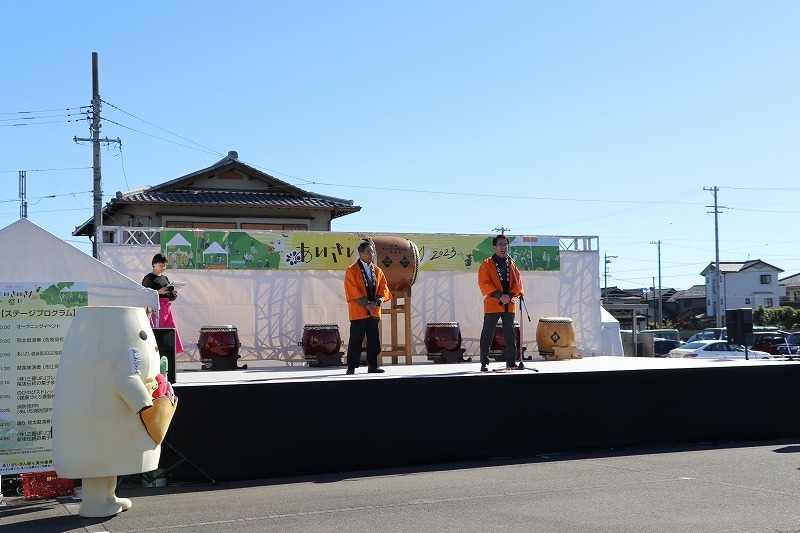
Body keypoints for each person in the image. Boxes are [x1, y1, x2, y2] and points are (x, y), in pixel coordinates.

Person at [344, 238, 392, 374]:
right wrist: (367, 304)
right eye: (369, 252)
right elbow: (351, 289)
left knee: (373, 340)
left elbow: (384, 288)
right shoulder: (351, 270)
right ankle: (351, 366)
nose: (372, 255)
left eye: (372, 253)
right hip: (359, 311)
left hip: (374, 310)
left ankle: (373, 365)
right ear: (361, 254)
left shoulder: (377, 270)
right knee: (356, 339)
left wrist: (376, 302)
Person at [478, 234, 525, 371]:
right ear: (494, 247)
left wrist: (509, 295)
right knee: (487, 333)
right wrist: (500, 295)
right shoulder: (487, 264)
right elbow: (484, 282)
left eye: (505, 244)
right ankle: (484, 363)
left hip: (509, 303)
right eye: (500, 244)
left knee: (510, 334)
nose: (503, 247)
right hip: (493, 302)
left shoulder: (512, 263)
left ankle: (511, 362)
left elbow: (518, 283)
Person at [142, 253, 184, 354]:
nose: (163, 267)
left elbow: (170, 297)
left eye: (164, 265)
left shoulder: (165, 278)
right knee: (157, 332)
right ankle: (155, 352)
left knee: (169, 331)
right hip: (155, 309)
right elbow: (144, 294)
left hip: (166, 309)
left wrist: (173, 294)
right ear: (154, 264)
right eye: (160, 265)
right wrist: (157, 292)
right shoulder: (148, 278)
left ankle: (168, 353)